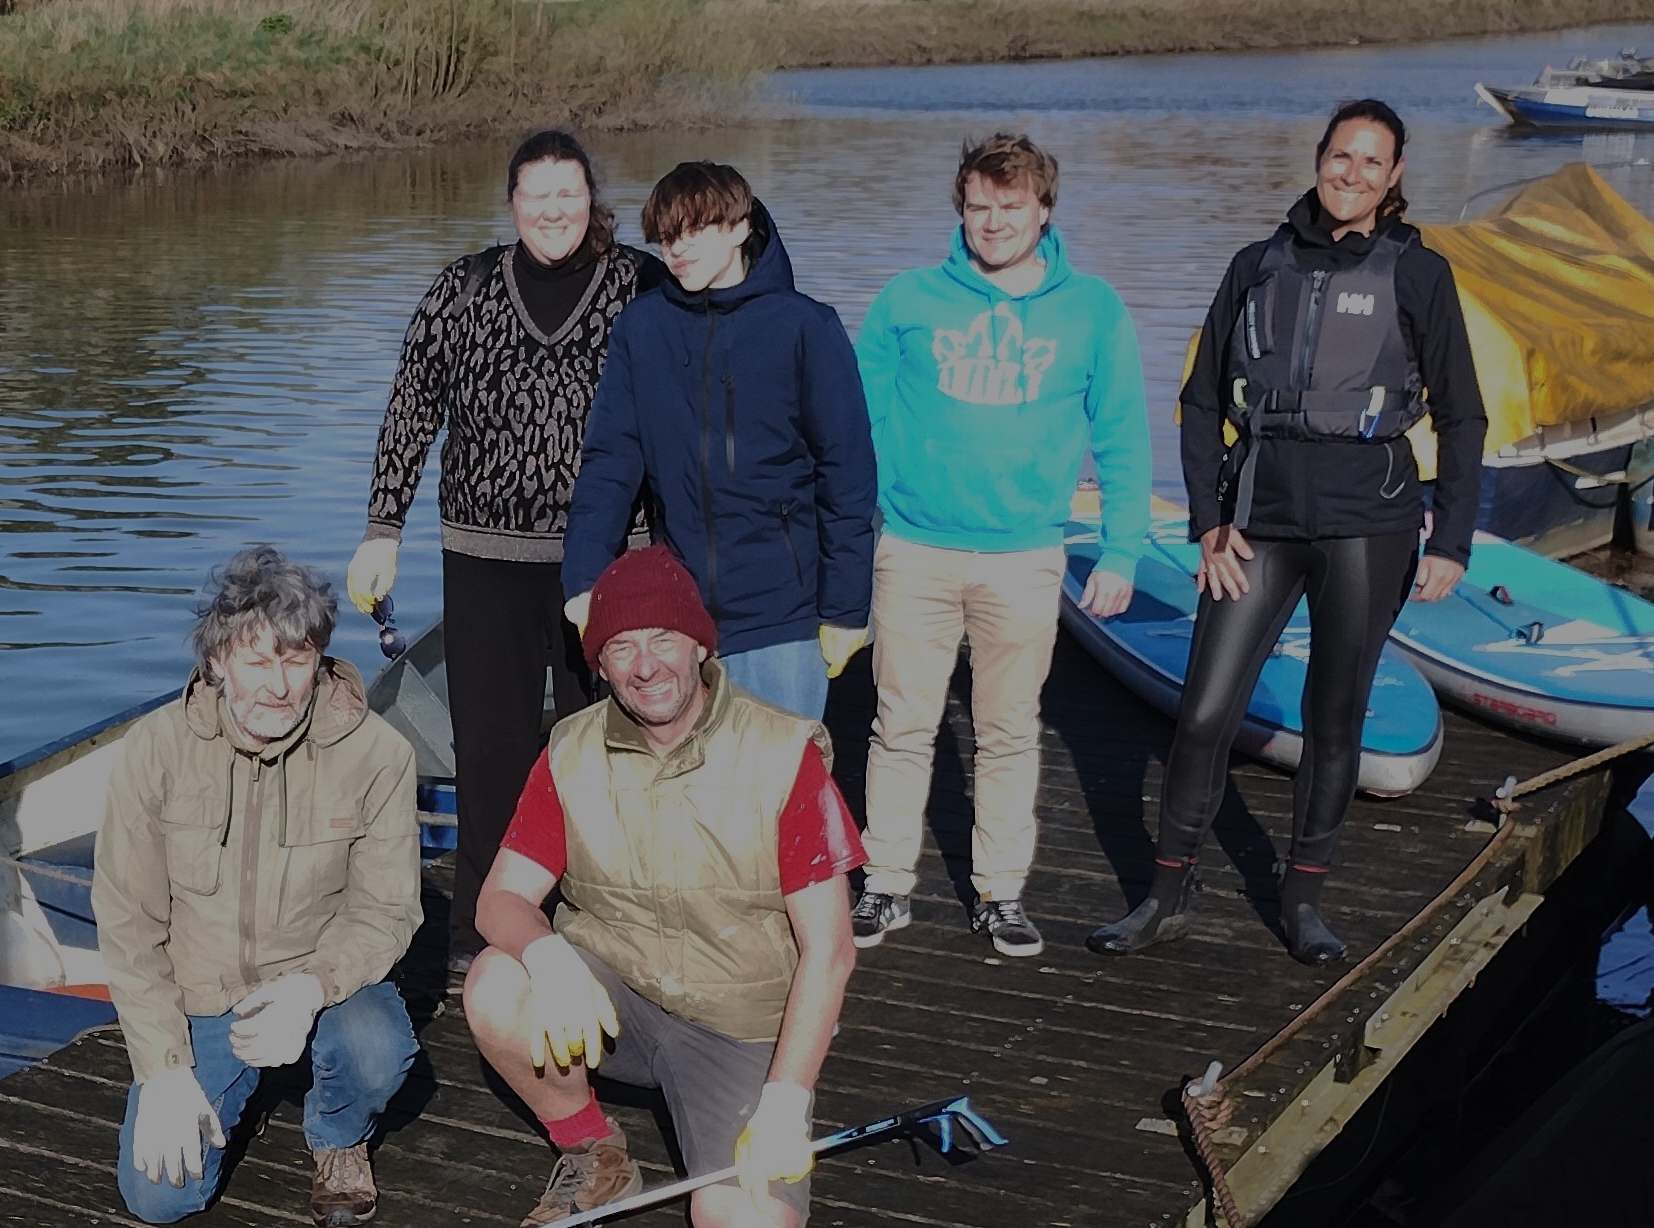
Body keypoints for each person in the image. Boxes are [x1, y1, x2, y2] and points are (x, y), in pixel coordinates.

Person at [1094, 98, 1483, 966]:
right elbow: (1200, 403)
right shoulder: (1255, 265)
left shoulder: (1419, 276)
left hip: (1368, 527)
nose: (1352, 174)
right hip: (1258, 523)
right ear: (1319, 158)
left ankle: (1303, 897)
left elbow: (1463, 412)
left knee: (1332, 718)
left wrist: (1452, 537)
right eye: (1341, 156)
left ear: (1395, 179)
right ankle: (1167, 892)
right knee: (1201, 714)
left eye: (1371, 163)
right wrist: (1206, 524)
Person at [464, 551, 864, 1228]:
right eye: (621, 647)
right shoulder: (571, 751)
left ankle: (753, 1113)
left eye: (662, 640)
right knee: (496, 982)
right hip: (613, 1000)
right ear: (601, 666)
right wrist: (549, 959)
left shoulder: (783, 754)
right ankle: (593, 1147)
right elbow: (499, 899)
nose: (645, 666)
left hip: (738, 1024)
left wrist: (785, 1099)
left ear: (701, 646)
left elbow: (831, 950)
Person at [353, 129, 658, 971]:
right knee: (492, 752)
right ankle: (485, 931)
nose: (553, 210)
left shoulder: (642, 284)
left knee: (612, 738)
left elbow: (686, 404)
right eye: (536, 195)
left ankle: (607, 921)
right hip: (484, 560)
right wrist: (384, 528)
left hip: (608, 559)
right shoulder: (465, 288)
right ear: (513, 202)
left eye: (569, 193)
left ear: (592, 198)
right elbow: (410, 409)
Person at [849, 131, 1150, 961]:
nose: (992, 223)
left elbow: (1122, 434)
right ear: (961, 209)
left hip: (1024, 557)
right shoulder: (908, 299)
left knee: (1009, 730)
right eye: (978, 207)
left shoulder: (1092, 309)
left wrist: (1121, 550)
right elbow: (857, 418)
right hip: (913, 547)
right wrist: (872, 505)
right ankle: (885, 885)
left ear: (1043, 210)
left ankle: (999, 894)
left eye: (1009, 207)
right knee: (901, 724)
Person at [98, 547, 424, 1227]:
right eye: (257, 660)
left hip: (319, 980)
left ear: (320, 658)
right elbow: (129, 924)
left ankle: (340, 1136)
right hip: (207, 994)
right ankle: (214, 1081)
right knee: (159, 1198)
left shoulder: (379, 755)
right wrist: (162, 1068)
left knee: (374, 1049)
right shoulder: (152, 749)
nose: (279, 685)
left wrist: (312, 987)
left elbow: (387, 909)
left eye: (297, 658)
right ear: (216, 662)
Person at [563, 160, 877, 724]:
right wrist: (585, 577)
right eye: (667, 237)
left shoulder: (806, 327)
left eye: (696, 230)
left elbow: (847, 476)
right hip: (678, 617)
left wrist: (847, 608)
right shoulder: (642, 328)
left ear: (738, 227)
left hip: (783, 613)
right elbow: (611, 461)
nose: (678, 250)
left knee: (780, 795)